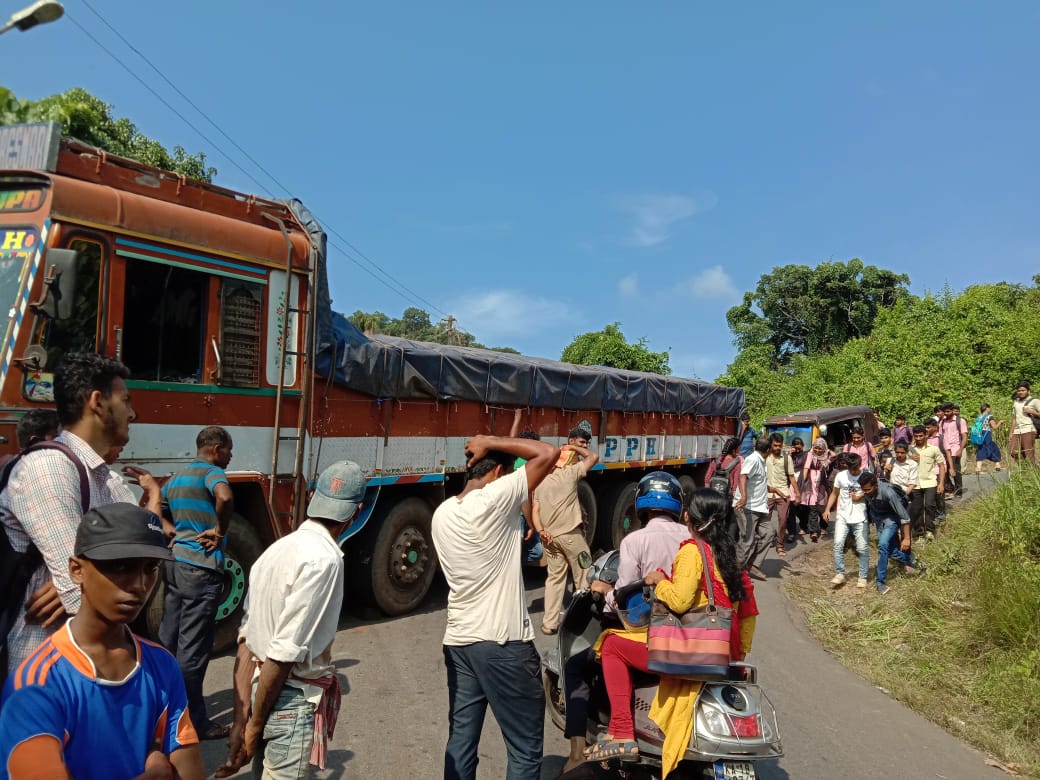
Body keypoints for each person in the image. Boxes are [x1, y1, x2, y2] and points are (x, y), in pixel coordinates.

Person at [0, 503, 205, 780]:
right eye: (120, 566)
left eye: (150, 568)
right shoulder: (36, 685)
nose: (139, 584)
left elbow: (190, 768)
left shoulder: (162, 665)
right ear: (76, 570)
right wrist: (158, 771)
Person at [585, 488, 757, 779]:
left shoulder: (692, 550)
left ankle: (622, 731)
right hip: (722, 651)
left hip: (692, 651)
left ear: (688, 516)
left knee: (612, 644)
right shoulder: (729, 555)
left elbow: (678, 600)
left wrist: (658, 580)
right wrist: (737, 653)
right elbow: (748, 611)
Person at [217, 461, 366, 780]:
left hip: (261, 692)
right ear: (358, 511)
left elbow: (246, 643)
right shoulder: (324, 560)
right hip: (290, 699)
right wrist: (253, 727)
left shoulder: (273, 553)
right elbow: (283, 653)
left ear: (313, 496)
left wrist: (243, 721)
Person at [431, 434, 559, 780]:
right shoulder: (494, 498)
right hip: (503, 645)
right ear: (499, 472)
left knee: (461, 742)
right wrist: (489, 439)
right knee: (524, 749)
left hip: (460, 642)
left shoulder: (442, 513)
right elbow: (548, 453)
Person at [0, 352, 136, 673]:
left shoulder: (107, 479)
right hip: (41, 666)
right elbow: (81, 590)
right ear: (97, 402)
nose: (133, 412)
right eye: (125, 400)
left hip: (83, 660)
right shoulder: (49, 467)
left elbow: (144, 559)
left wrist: (94, 580)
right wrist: (88, 582)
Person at [158, 426, 235, 741]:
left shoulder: (176, 477)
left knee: (168, 641)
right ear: (216, 449)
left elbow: (151, 508)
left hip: (174, 565)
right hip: (201, 570)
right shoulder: (212, 473)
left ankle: (159, 712)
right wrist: (219, 530)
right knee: (193, 652)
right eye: (229, 450)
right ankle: (197, 723)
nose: (230, 457)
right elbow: (225, 496)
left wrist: (171, 531)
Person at [533, 441, 600, 635]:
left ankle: (549, 623)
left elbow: (536, 511)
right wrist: (574, 448)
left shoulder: (540, 482)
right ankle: (582, 621)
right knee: (584, 573)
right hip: (572, 537)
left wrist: (540, 530)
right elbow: (593, 457)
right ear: (566, 462)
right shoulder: (569, 475)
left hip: (550, 538)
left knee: (554, 579)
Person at [858, 471, 926, 595]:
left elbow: (905, 517)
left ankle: (881, 582)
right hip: (879, 520)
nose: (865, 492)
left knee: (882, 546)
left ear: (876, 486)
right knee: (891, 552)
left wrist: (906, 538)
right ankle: (919, 564)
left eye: (868, 490)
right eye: (863, 490)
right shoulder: (867, 490)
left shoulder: (888, 492)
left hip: (891, 519)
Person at [823, 452, 868, 588]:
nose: (853, 471)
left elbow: (873, 491)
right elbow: (834, 493)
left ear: (860, 465)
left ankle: (862, 576)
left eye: (855, 468)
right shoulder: (841, 476)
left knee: (862, 547)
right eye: (850, 468)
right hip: (842, 516)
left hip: (861, 517)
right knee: (837, 544)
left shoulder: (866, 475)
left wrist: (860, 496)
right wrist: (827, 509)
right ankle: (840, 573)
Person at [735, 438, 771, 579]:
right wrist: (744, 497)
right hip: (748, 507)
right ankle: (736, 575)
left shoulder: (761, 461)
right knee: (747, 540)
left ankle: (753, 565)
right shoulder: (753, 459)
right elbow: (743, 476)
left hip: (760, 507)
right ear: (768, 450)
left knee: (769, 533)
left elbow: (758, 483)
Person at [909, 424, 946, 541]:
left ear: (925, 435)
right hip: (915, 483)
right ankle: (919, 532)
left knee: (929, 506)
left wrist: (941, 484)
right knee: (916, 508)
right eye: (916, 436)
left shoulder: (933, 449)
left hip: (930, 482)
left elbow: (941, 466)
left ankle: (930, 530)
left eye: (921, 436)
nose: (919, 438)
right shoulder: (909, 450)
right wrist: (909, 459)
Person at [765, 433, 800, 553]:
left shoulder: (787, 458)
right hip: (767, 494)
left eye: (779, 446)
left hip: (783, 494)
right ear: (770, 444)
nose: (777, 448)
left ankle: (780, 544)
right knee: (764, 520)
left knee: (783, 519)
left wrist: (798, 494)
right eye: (775, 445)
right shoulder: (764, 457)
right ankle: (767, 538)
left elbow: (792, 477)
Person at [795, 437, 831, 542]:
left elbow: (833, 455)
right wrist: (803, 483)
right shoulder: (810, 456)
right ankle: (813, 531)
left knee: (822, 508)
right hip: (810, 484)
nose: (818, 451)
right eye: (816, 448)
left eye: (820, 448)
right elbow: (806, 468)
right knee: (812, 508)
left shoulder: (826, 457)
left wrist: (827, 450)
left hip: (821, 484)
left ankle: (823, 526)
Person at [887, 442, 922, 535]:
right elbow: (887, 478)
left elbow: (912, 483)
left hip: (905, 494)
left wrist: (904, 496)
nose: (899, 455)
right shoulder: (890, 461)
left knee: (905, 519)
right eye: (897, 452)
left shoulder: (912, 464)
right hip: (892, 492)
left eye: (902, 453)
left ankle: (906, 537)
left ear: (906, 452)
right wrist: (887, 470)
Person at [703, 437, 743, 506]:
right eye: (739, 449)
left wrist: (708, 495)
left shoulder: (716, 461)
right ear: (734, 450)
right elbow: (735, 486)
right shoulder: (737, 463)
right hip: (726, 500)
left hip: (713, 498)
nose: (740, 451)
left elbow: (707, 479)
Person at [939, 403, 968, 497]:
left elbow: (964, 436)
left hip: (955, 448)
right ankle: (950, 488)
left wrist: (960, 449)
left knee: (955, 470)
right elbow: (940, 436)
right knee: (945, 469)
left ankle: (958, 490)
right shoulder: (942, 422)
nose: (946, 413)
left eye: (948, 411)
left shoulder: (960, 421)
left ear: (952, 410)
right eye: (945, 412)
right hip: (944, 449)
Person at [1010, 381, 1040, 465]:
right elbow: (1014, 418)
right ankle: (1025, 468)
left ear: (1028, 391)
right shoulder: (1016, 402)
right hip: (1017, 430)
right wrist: (1011, 433)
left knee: (1029, 455)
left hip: (1029, 429)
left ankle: (1033, 474)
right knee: (1012, 451)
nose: (1020, 392)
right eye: (1019, 390)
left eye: (1023, 390)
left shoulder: (1034, 401)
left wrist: (1032, 411)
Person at [973, 404, 1004, 472]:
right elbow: (994, 427)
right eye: (989, 408)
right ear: (987, 409)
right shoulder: (989, 417)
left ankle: (978, 468)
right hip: (986, 435)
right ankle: (997, 465)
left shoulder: (979, 417)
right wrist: (1000, 422)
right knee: (994, 449)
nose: (990, 409)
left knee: (981, 449)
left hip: (979, 435)